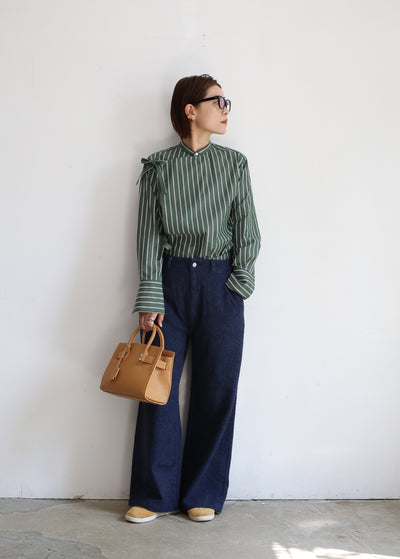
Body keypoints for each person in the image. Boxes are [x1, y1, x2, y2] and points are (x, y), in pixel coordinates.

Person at [126, 74, 261, 523]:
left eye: (226, 102)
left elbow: (247, 228)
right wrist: (150, 293)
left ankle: (203, 492)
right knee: (156, 388)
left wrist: (239, 282)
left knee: (218, 387)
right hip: (171, 282)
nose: (225, 109)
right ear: (191, 109)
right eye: (217, 101)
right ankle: (153, 494)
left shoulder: (234, 164)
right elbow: (149, 235)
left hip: (221, 284)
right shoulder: (159, 166)